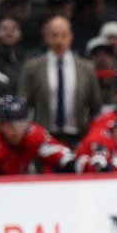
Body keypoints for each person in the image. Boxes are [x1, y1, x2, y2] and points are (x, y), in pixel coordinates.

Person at [17, 15, 103, 147]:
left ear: (71, 37)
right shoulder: (32, 68)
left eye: (63, 35)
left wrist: (90, 135)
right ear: (46, 37)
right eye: (54, 35)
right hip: (43, 137)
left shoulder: (86, 68)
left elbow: (95, 107)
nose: (59, 40)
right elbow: (23, 104)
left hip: (78, 137)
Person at [0, 94, 77, 175]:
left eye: (22, 123)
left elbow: (57, 151)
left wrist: (72, 163)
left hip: (22, 187)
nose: (18, 131)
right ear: (0, 124)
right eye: (11, 125)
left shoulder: (33, 134)